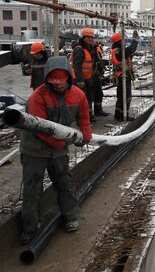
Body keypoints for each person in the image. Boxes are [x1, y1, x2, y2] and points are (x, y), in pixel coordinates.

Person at [19, 56, 92, 244]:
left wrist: (86, 134)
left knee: (64, 182)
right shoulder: (38, 97)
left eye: (62, 83)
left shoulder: (78, 95)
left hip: (58, 145)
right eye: (54, 83)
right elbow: (41, 129)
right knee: (32, 188)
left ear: (69, 78)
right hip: (34, 148)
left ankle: (70, 217)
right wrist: (63, 144)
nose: (59, 86)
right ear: (47, 80)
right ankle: (29, 227)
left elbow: (84, 117)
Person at [71, 28, 98, 122]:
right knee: (81, 100)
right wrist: (80, 80)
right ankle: (81, 119)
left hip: (88, 78)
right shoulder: (79, 50)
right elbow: (77, 66)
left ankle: (89, 116)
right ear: (83, 38)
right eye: (88, 37)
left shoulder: (88, 49)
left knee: (89, 98)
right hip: (81, 79)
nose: (91, 39)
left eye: (92, 37)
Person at [111, 30, 138, 121]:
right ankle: (123, 115)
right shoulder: (119, 51)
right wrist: (135, 40)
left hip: (122, 75)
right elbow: (131, 49)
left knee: (121, 96)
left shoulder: (117, 51)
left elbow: (128, 54)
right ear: (119, 41)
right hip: (123, 76)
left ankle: (118, 114)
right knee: (126, 96)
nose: (124, 42)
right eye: (122, 40)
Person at [93, 42, 108, 117]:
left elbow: (98, 61)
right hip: (91, 76)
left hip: (96, 75)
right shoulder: (96, 50)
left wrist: (101, 69)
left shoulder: (96, 50)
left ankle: (98, 110)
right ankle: (90, 113)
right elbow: (97, 61)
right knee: (91, 95)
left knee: (98, 93)